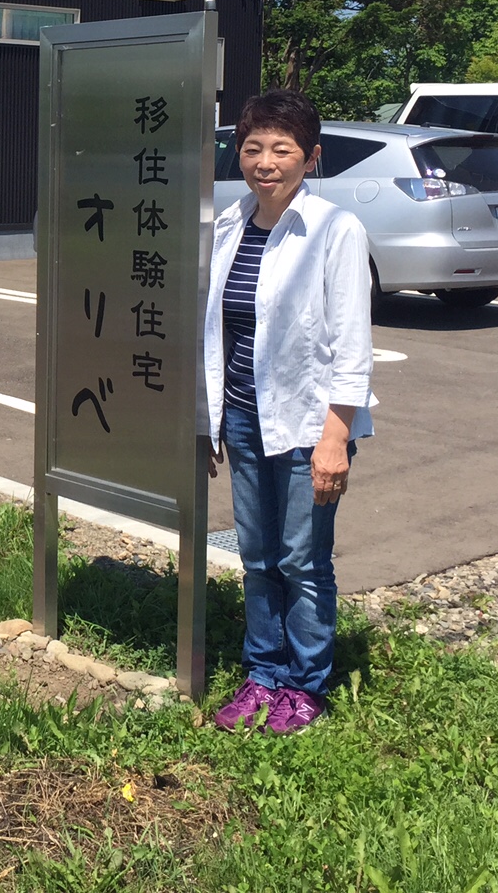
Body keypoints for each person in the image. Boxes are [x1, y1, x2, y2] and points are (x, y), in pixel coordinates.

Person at [203, 90, 374, 734]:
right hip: (245, 418)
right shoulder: (228, 225)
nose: (265, 162)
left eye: (282, 149)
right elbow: (215, 333)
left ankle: (305, 685)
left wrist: (336, 438)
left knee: (302, 559)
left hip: (308, 424)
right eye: (252, 148)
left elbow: (352, 346)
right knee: (256, 556)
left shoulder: (335, 229)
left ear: (311, 157)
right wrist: (211, 417)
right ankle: (261, 674)